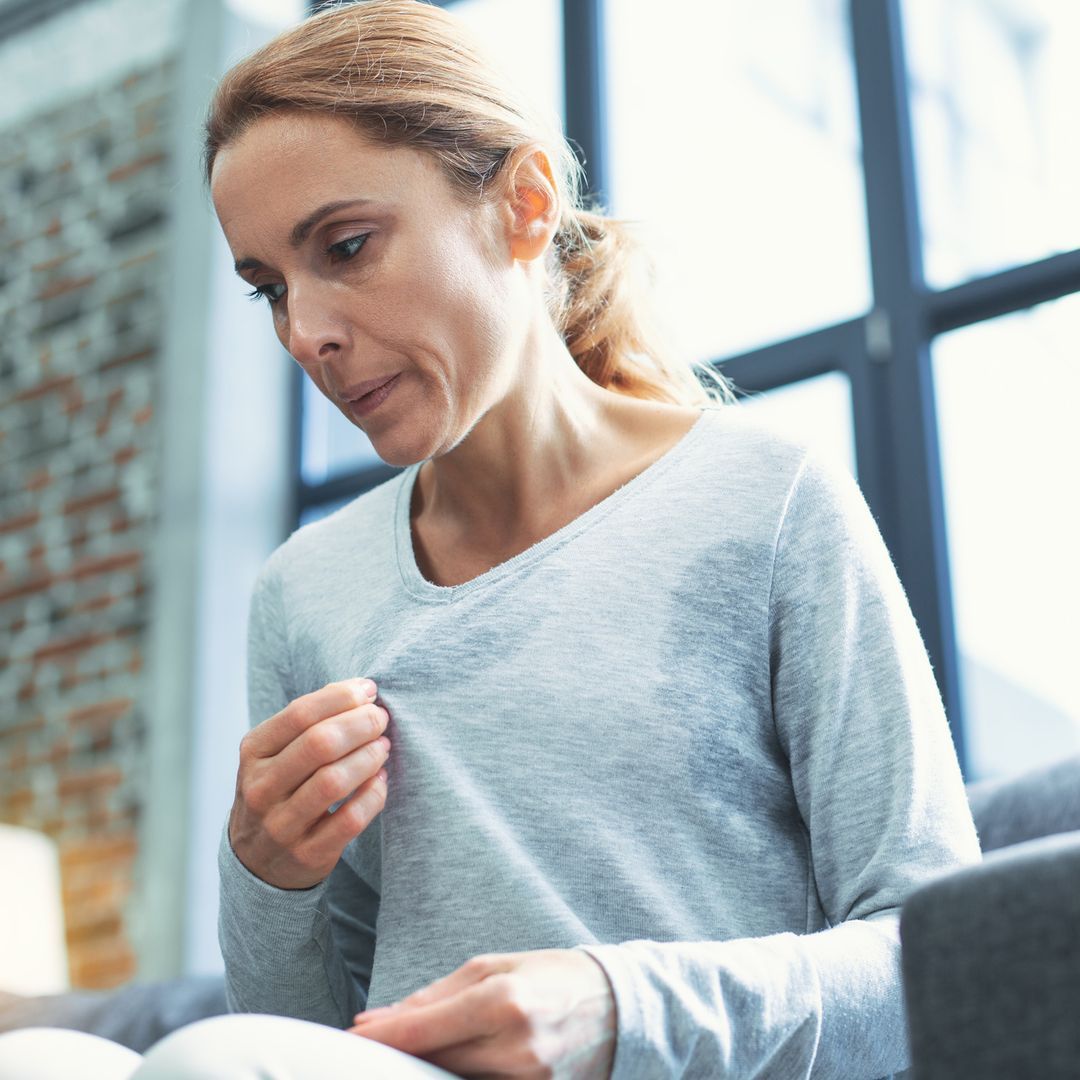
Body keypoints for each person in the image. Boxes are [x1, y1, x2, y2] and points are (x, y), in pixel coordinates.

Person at [0, 1, 980, 1077]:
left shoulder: (769, 499)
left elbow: (935, 963)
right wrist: (267, 877)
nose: (307, 332)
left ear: (522, 203)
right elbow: (295, 1037)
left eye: (347, 246)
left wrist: (616, 1007)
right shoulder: (306, 591)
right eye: (271, 289)